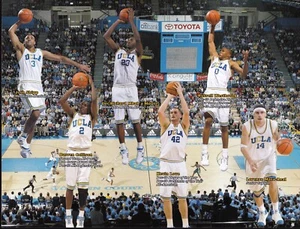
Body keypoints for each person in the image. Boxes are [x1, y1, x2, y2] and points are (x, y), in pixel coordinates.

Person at [8, 20, 90, 158]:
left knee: (34, 118)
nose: (29, 38)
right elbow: (11, 31)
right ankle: (22, 137)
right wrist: (20, 22)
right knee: (35, 114)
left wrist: (78, 65)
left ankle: (26, 147)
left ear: (35, 42)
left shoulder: (41, 52)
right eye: (26, 37)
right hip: (26, 85)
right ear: (24, 42)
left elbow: (61, 58)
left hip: (38, 87)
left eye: (32, 37)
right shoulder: (21, 50)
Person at [201, 24, 249, 171]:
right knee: (208, 121)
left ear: (229, 54)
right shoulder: (214, 59)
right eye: (220, 50)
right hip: (210, 91)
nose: (220, 52)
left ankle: (225, 157)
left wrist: (246, 60)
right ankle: (204, 154)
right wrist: (212, 27)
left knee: (224, 127)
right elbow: (210, 42)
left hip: (222, 92)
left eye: (223, 51)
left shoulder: (231, 63)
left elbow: (244, 74)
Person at [103, 8, 144, 165]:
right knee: (119, 121)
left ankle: (140, 148)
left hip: (130, 88)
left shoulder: (137, 54)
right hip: (118, 88)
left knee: (135, 120)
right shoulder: (118, 51)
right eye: (128, 39)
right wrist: (118, 21)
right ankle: (123, 150)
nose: (129, 40)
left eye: (131, 39)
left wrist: (131, 21)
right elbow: (106, 36)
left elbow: (139, 40)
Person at [58, 74, 97, 228]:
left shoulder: (92, 118)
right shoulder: (73, 115)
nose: (83, 104)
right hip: (71, 152)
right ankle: (68, 216)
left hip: (86, 153)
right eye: (81, 103)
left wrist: (92, 83)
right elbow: (62, 101)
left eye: (85, 104)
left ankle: (81, 215)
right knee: (69, 186)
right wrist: (74, 86)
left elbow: (94, 100)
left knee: (83, 188)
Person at [240, 104, 284, 227]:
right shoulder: (247, 126)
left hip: (268, 157)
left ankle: (276, 211)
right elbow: (243, 147)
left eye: (262, 112)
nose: (260, 115)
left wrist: (279, 140)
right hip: (253, 160)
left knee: (272, 180)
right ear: (253, 114)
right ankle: (262, 211)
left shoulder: (272, 124)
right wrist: (250, 161)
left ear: (265, 114)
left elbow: (277, 138)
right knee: (257, 191)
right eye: (257, 113)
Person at [157, 82, 190, 228]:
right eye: (171, 112)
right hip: (165, 163)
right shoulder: (165, 126)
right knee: (166, 197)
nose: (172, 113)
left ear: (180, 116)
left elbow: (187, 112)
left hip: (180, 164)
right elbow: (160, 112)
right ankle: (169, 225)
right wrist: (170, 96)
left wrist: (180, 94)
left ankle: (185, 224)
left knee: (182, 197)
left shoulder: (184, 126)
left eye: (175, 112)